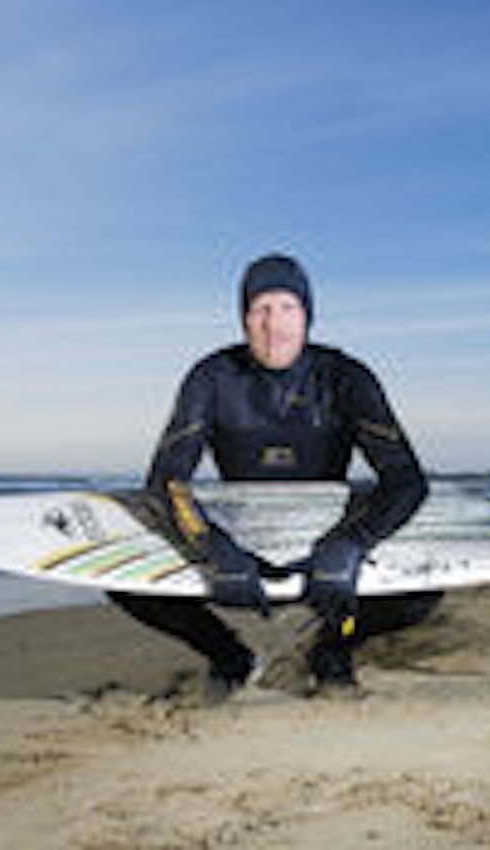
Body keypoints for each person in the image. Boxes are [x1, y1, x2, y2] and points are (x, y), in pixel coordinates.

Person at [110, 253, 439, 699]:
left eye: (288, 309)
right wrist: (214, 547)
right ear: (244, 319)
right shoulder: (213, 378)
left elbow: (405, 479)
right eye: (260, 310)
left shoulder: (345, 378)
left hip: (327, 550)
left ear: (307, 316)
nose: (274, 324)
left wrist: (350, 543)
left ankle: (334, 647)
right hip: (243, 546)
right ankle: (230, 655)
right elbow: (167, 482)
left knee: (425, 591)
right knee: (125, 586)